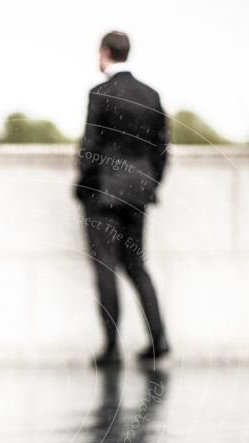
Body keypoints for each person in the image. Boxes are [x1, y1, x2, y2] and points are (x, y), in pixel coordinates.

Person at [75, 31, 170, 366]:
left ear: (104, 53)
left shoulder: (100, 94)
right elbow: (161, 149)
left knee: (106, 266)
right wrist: (149, 184)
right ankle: (159, 339)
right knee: (137, 266)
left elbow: (90, 148)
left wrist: (83, 187)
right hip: (139, 194)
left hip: (104, 193)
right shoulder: (151, 95)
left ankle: (112, 348)